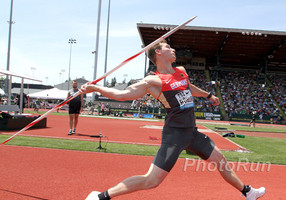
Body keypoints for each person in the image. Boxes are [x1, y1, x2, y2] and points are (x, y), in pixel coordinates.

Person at [83, 40, 265, 200]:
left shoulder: (181, 71)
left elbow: (188, 87)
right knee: (151, 181)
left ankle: (248, 192)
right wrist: (96, 88)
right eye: (168, 47)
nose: (173, 50)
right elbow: (123, 95)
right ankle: (101, 196)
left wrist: (208, 94)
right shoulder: (153, 81)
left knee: (221, 161)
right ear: (158, 52)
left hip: (192, 133)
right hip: (175, 135)